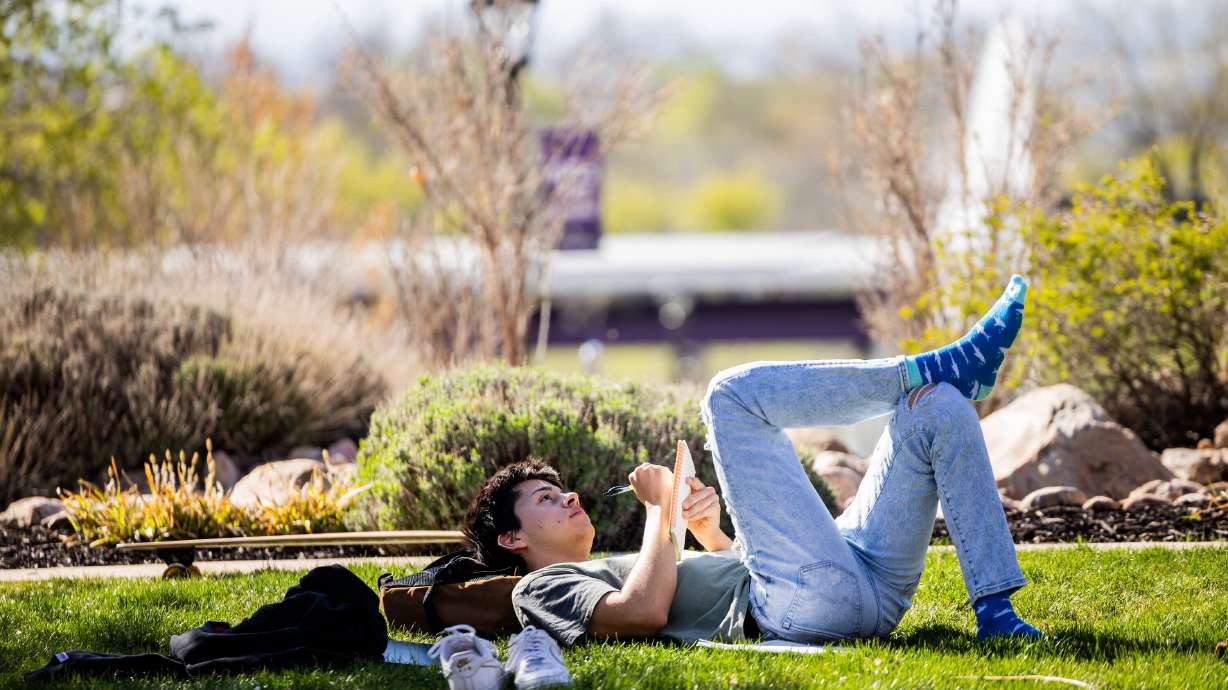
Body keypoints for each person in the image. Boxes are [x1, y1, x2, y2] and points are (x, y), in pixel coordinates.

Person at [462, 275, 1042, 649]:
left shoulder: (620, 564)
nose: (569, 497)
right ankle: (924, 366)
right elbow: (641, 613)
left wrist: (709, 534)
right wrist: (659, 509)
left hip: (862, 584)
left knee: (937, 406)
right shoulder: (537, 588)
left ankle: (995, 609)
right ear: (513, 539)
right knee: (729, 396)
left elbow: (723, 583)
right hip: (803, 606)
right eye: (545, 499)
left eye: (560, 490)